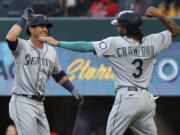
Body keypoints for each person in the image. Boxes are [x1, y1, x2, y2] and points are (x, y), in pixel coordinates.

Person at [39, 10, 178, 135]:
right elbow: (176, 30)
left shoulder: (115, 43)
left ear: (125, 29)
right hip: (146, 100)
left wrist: (58, 43)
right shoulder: (153, 41)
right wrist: (160, 15)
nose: (118, 28)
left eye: (119, 26)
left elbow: (85, 46)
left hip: (127, 98)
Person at [6, 8, 83, 135]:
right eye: (41, 26)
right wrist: (24, 19)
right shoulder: (22, 46)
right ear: (31, 29)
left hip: (39, 104)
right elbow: (10, 38)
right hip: (22, 101)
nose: (45, 29)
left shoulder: (51, 51)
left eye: (46, 27)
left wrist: (72, 89)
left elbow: (58, 74)